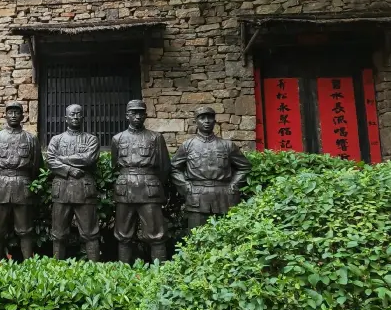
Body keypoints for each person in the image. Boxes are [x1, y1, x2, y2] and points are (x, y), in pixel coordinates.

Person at [171, 106, 251, 229]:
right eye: (202, 118)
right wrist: (186, 187)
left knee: (226, 238)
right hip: (197, 198)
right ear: (196, 121)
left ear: (215, 121)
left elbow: (244, 167)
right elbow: (174, 168)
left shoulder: (227, 145)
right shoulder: (187, 146)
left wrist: (234, 185)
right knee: (197, 238)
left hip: (224, 198)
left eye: (210, 117)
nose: (207, 121)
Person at [111, 100, 171, 263]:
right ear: (127, 116)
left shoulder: (156, 138)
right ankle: (124, 272)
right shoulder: (118, 139)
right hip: (125, 190)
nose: (137, 116)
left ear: (145, 115)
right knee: (123, 234)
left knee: (156, 233)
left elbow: (164, 167)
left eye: (141, 113)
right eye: (133, 113)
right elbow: (115, 165)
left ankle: (160, 273)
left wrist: (150, 180)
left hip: (149, 190)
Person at [0, 101, 41, 261]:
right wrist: (0, 179)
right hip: (0, 186)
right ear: (5, 115)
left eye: (17, 112)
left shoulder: (31, 139)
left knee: (25, 230)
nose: (14, 115)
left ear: (23, 116)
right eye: (10, 112)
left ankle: (28, 264)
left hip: (22, 186)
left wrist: (23, 178)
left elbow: (36, 166)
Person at [46, 104, 101, 261]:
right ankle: (57, 267)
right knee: (58, 233)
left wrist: (62, 159)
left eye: (79, 114)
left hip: (84, 190)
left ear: (83, 118)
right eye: (72, 115)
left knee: (90, 232)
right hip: (61, 190)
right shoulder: (56, 139)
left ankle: (96, 269)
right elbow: (50, 161)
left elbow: (89, 159)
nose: (76, 117)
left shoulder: (91, 139)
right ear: (66, 118)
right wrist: (70, 170)